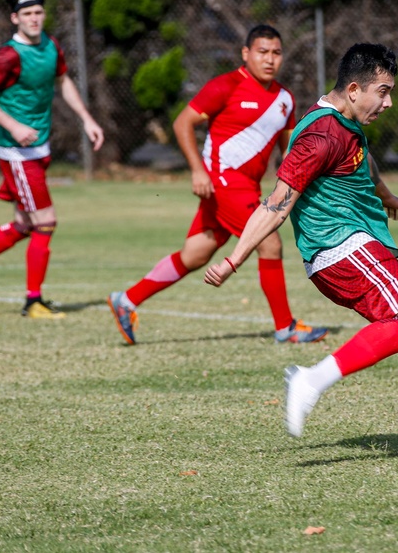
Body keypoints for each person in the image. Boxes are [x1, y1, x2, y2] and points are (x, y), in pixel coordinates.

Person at [204, 43, 398, 461]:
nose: (389, 102)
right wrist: (234, 260)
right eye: (383, 91)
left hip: (354, 245)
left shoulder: (344, 124)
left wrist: (385, 193)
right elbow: (276, 204)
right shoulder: (321, 135)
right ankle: (311, 379)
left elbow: (361, 159)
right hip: (344, 246)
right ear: (354, 89)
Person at [107, 25, 328, 345]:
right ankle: (286, 327)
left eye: (276, 53)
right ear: (246, 53)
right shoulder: (226, 85)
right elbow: (183, 122)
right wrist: (197, 171)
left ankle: (126, 300)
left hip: (246, 188)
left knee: (195, 254)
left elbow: (287, 151)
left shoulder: (284, 99)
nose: (269, 59)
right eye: (262, 52)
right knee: (269, 243)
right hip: (223, 182)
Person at [0, 0, 105, 319]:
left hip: (38, 148)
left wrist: (87, 119)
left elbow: (63, 81)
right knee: (46, 222)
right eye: (27, 14)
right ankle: (33, 301)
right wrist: (12, 125)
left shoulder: (50, 46)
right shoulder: (6, 57)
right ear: (15, 18)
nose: (34, 19)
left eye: (38, 12)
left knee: (23, 224)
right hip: (16, 152)